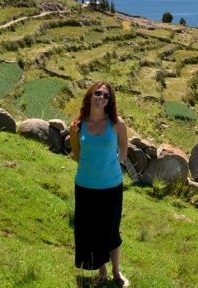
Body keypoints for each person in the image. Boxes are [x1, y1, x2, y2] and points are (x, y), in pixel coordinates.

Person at [69, 81, 130, 286]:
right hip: (85, 186)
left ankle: (116, 272)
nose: (101, 98)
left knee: (112, 230)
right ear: (90, 95)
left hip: (111, 186)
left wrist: (110, 166)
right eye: (98, 93)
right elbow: (77, 155)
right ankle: (102, 271)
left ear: (109, 101)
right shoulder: (77, 125)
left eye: (106, 96)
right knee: (92, 231)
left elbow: (123, 152)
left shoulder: (117, 124)